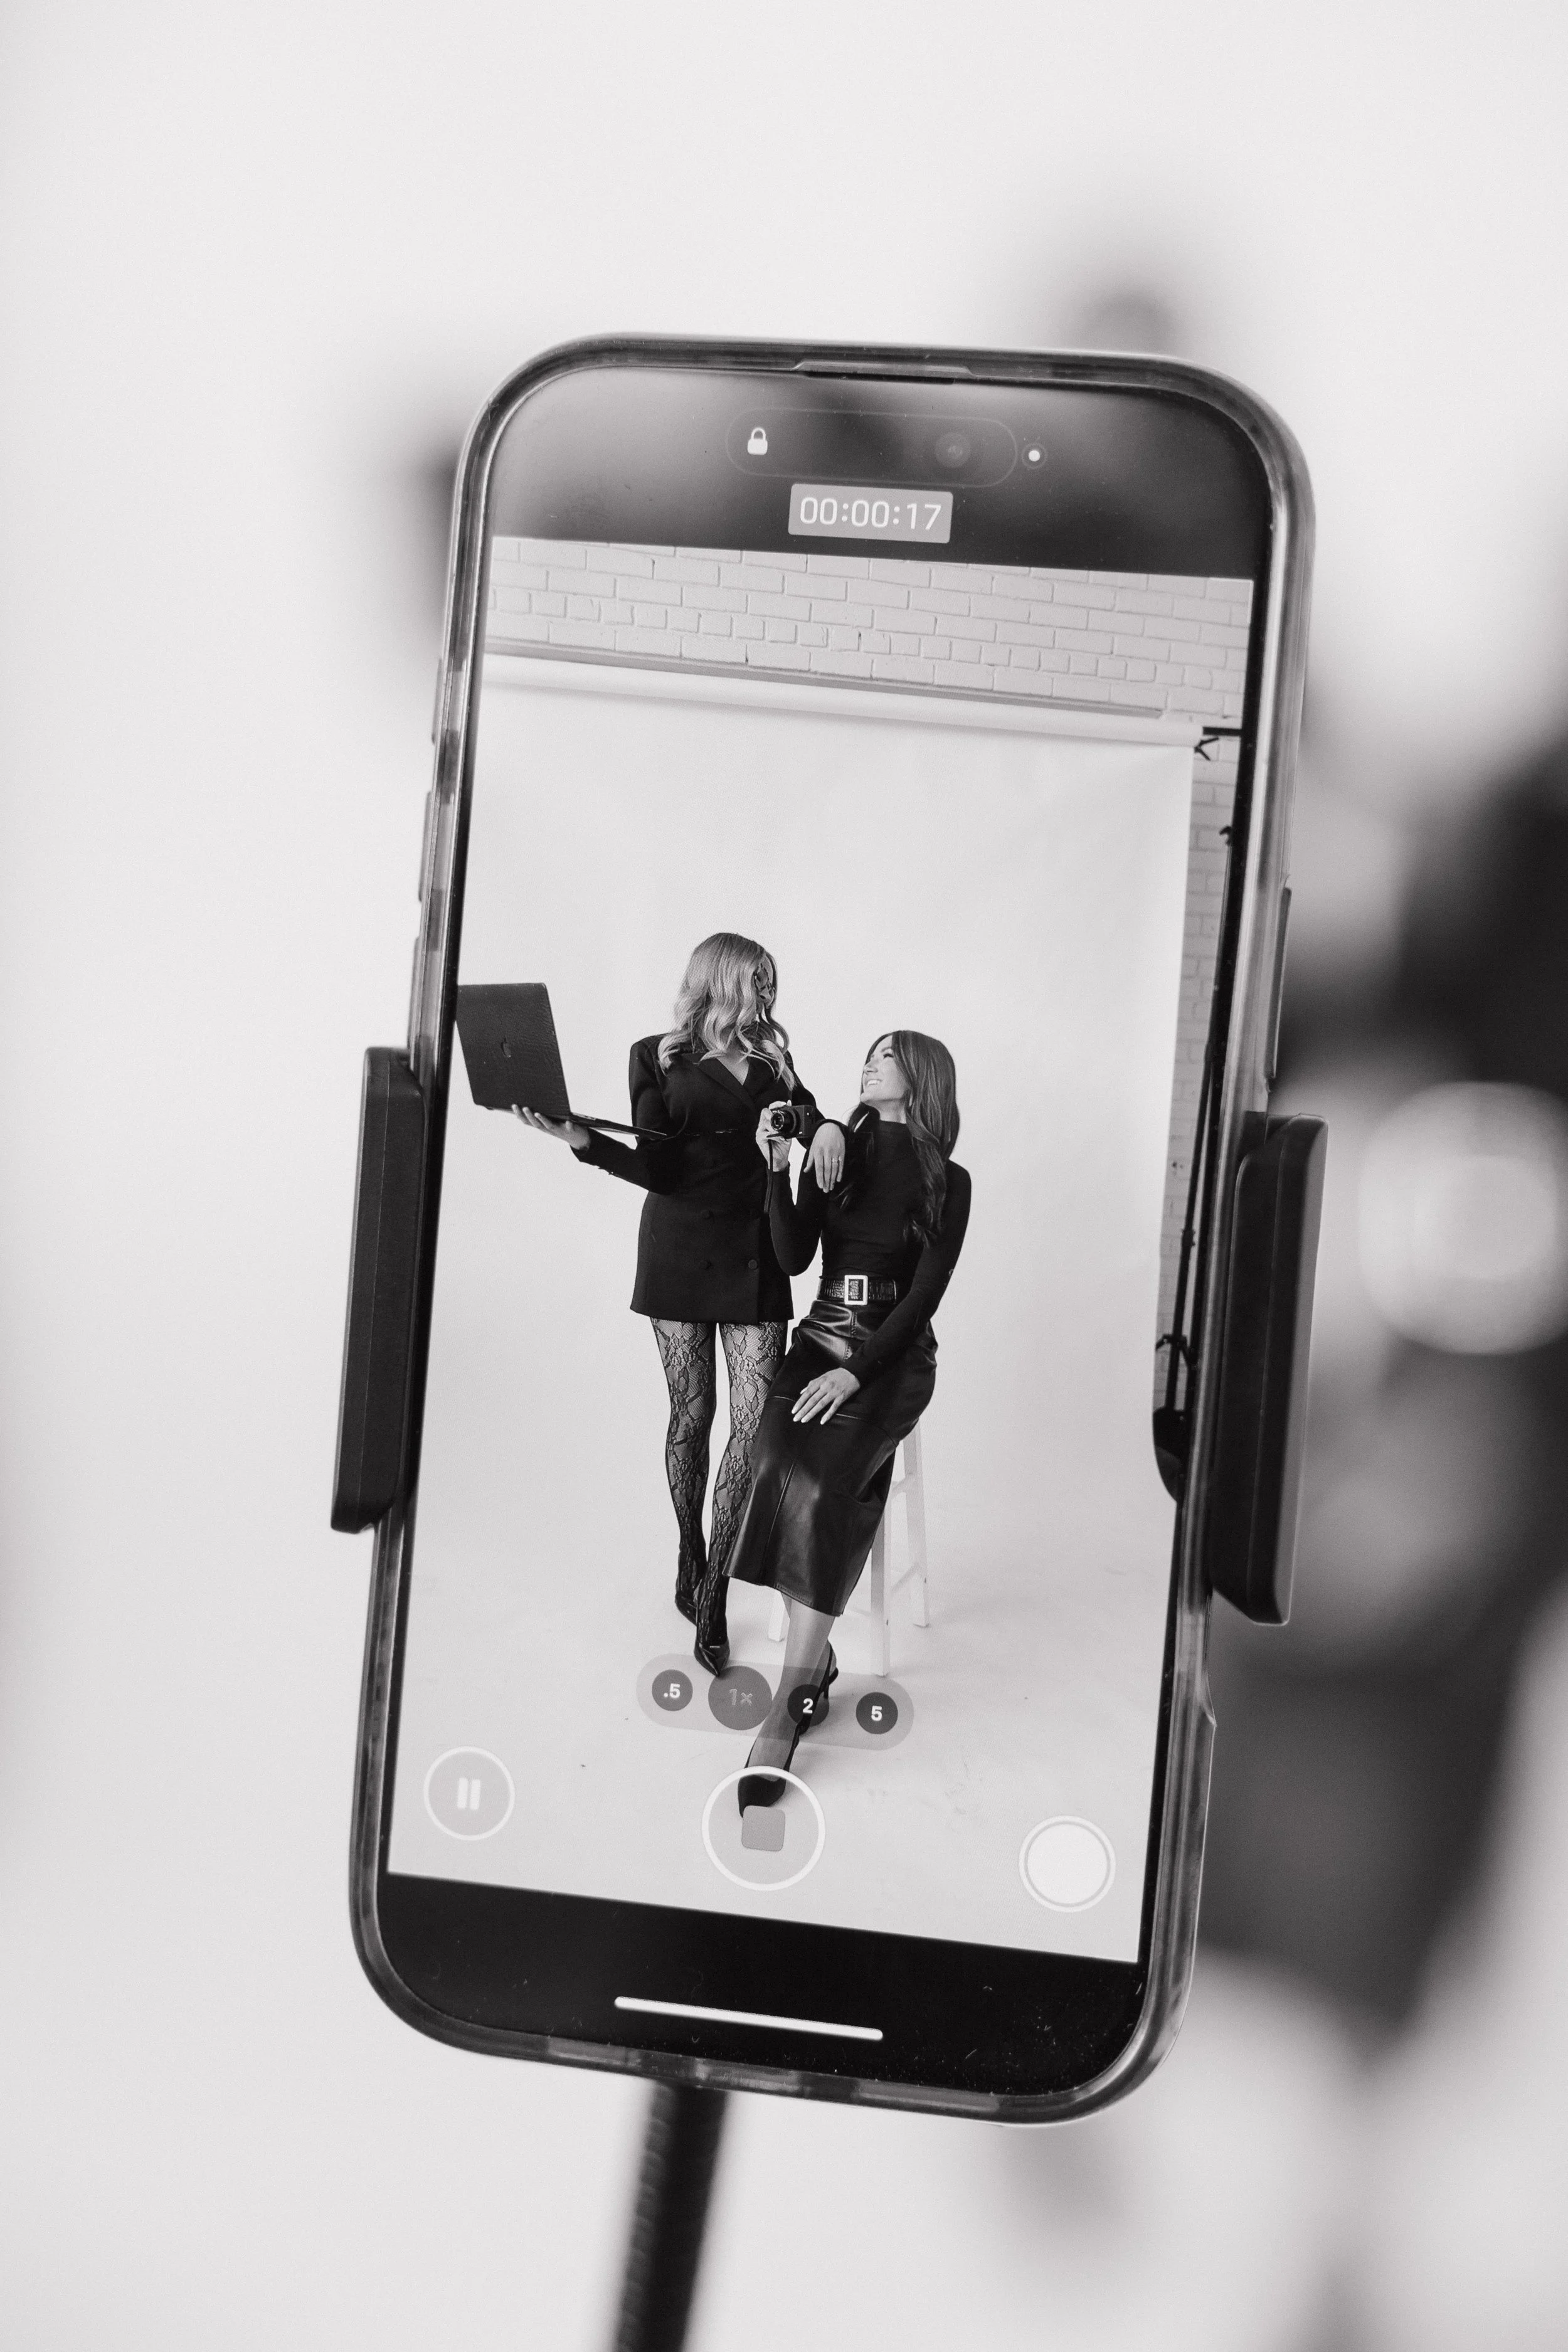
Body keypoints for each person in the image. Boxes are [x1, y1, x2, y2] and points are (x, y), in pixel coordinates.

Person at [515, 933, 844, 1671]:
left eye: (770, 984)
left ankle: (716, 1590)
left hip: (755, 1247)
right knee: (692, 1415)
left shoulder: (772, 1059)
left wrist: (813, 1129)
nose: (765, 996)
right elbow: (658, 1168)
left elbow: (814, 1113)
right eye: (756, 982)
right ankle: (691, 1559)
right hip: (678, 1247)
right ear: (718, 980)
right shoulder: (655, 1055)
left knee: (753, 1429)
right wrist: (579, 1138)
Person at [723, 1031, 970, 1811]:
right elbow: (794, 1257)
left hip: (889, 1359)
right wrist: (777, 1168)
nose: (869, 1062)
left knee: (828, 1486)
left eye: (887, 1056)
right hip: (818, 1336)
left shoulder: (950, 1181)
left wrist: (854, 1373)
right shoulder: (837, 1149)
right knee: (771, 1464)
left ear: (921, 1077)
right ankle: (818, 1665)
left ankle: (790, 1703)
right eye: (867, 1054)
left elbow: (923, 1298)